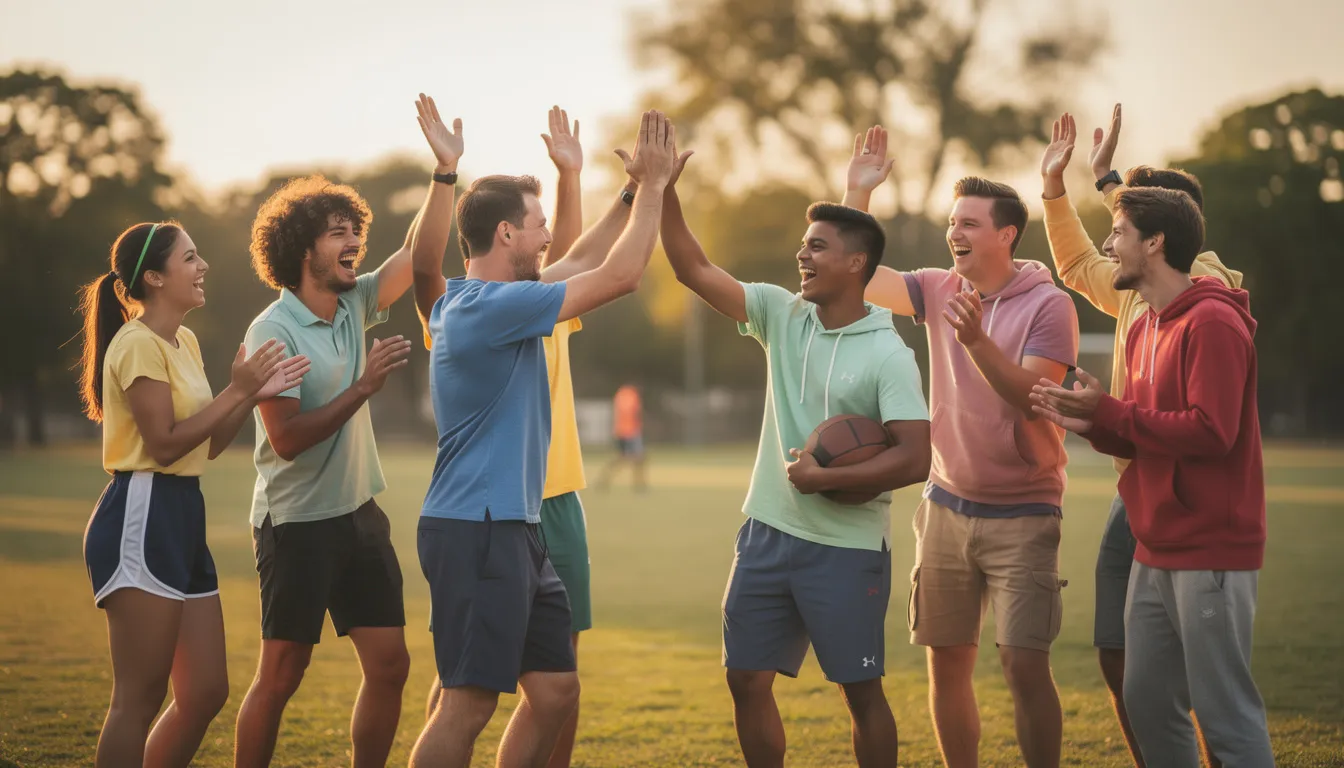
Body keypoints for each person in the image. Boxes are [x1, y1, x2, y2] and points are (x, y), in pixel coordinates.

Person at [407, 103, 676, 768]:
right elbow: (620, 274)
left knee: (554, 690)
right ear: (505, 235)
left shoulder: (492, 301)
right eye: (537, 226)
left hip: (514, 528)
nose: (548, 235)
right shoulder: (485, 311)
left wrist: (632, 189)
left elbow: (583, 255)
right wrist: (658, 192)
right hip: (477, 528)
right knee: (468, 704)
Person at [661, 135, 932, 766]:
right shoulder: (782, 315)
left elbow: (917, 457)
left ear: (857, 264)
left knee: (860, 692)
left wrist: (823, 479)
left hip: (847, 547)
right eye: (803, 244)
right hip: (767, 531)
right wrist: (664, 191)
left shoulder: (889, 353)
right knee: (745, 679)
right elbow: (692, 269)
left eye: (817, 247)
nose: (801, 255)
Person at [848, 127, 1078, 768]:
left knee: (1022, 664)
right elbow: (858, 275)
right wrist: (856, 193)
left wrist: (977, 341)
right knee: (946, 666)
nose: (956, 233)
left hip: (1026, 513)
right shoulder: (937, 286)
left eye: (970, 223)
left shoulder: (1050, 306)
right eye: (953, 222)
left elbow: (1031, 397)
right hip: (945, 508)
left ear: (1006, 234)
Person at [231, 96, 444, 767]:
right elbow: (287, 438)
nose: (353, 240)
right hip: (296, 524)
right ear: (301, 249)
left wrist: (445, 173)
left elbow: (421, 253)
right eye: (336, 232)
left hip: (357, 515)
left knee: (390, 665)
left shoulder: (355, 300)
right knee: (282, 675)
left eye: (355, 228)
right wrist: (362, 388)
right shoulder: (274, 330)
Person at [1031, 186, 1274, 767]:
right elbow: (1139, 434)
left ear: (1155, 242)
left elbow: (1210, 431)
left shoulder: (1212, 321)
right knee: (1145, 699)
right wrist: (1085, 420)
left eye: (1117, 234)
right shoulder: (1142, 326)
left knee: (1223, 712)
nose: (1109, 246)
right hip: (1153, 544)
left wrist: (1109, 413)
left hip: (1210, 546)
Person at [77, 222, 307, 768]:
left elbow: (205, 446)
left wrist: (250, 398)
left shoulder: (185, 340)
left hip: (182, 514)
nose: (203, 267)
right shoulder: (135, 344)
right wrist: (237, 389)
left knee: (205, 690)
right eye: (190, 258)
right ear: (154, 278)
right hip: (142, 511)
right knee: (137, 699)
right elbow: (161, 445)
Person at [596, 382, 646, 491]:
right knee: (638, 458)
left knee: (622, 458)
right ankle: (639, 485)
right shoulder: (633, 395)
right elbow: (636, 412)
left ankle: (604, 479)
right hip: (631, 431)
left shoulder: (620, 395)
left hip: (620, 431)